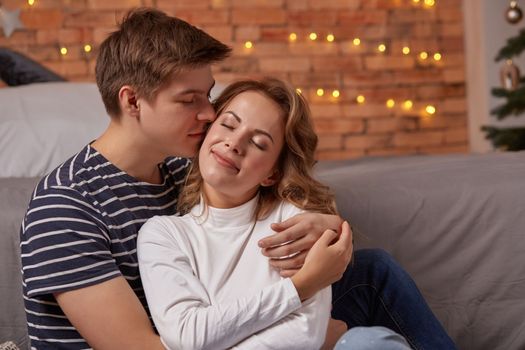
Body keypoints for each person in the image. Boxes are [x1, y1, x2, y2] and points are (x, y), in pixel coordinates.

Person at [19, 7, 455, 350]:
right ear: (132, 101)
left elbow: (289, 182)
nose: (209, 115)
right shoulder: (65, 207)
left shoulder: (184, 166)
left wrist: (325, 226)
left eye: (208, 97)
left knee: (372, 270)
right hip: (183, 340)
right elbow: (150, 348)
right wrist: (312, 327)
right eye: (189, 100)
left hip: (225, 319)